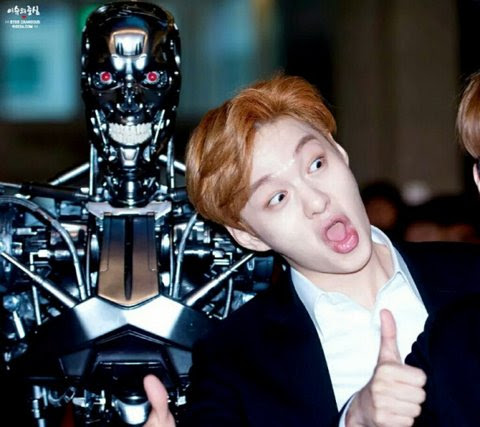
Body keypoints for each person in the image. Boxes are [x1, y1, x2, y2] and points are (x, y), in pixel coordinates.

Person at [143, 75, 480, 426]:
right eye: (278, 198)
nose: (317, 201)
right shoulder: (233, 360)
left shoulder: (472, 275)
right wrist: (354, 420)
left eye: (316, 164)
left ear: (340, 153)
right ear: (249, 235)